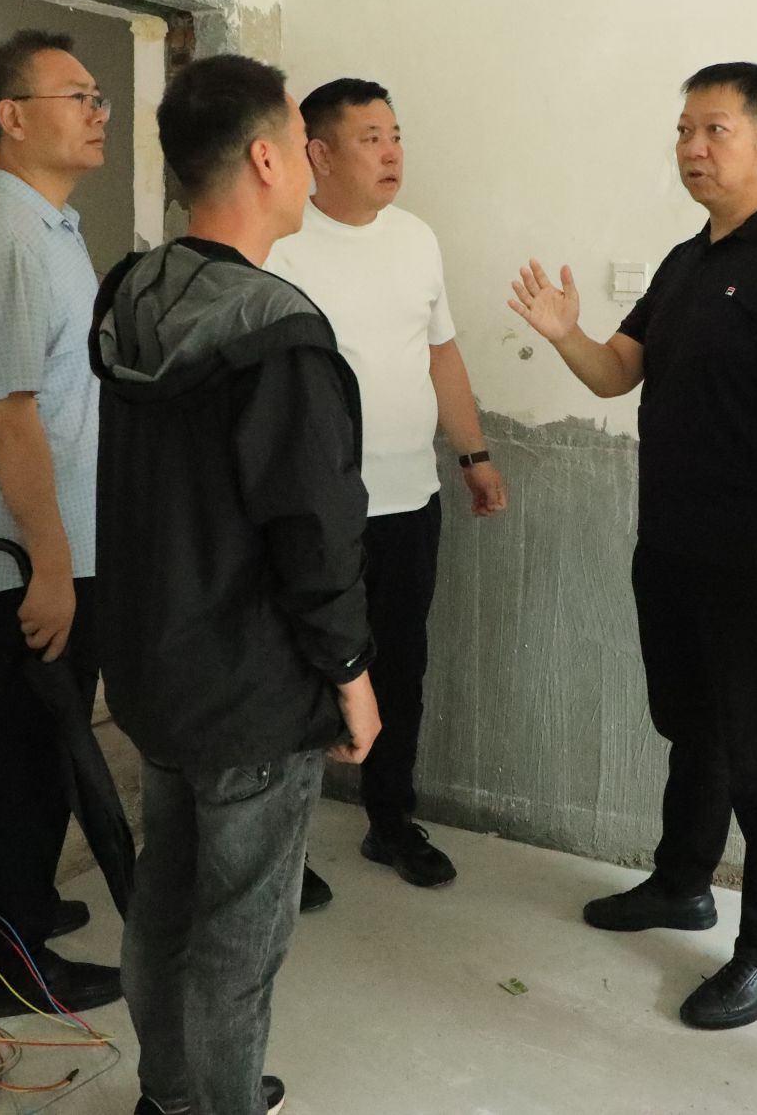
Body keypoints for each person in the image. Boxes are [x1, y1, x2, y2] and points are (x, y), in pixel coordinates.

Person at [509, 62, 757, 1030]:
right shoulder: (685, 262)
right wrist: (565, 333)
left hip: (753, 561)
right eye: (683, 130)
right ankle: (681, 882)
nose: (691, 149)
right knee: (692, 727)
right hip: (669, 547)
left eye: (714, 130)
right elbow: (616, 373)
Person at [94, 52, 382, 1115]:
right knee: (240, 937)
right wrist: (351, 673)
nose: (313, 163)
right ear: (265, 159)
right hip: (250, 685)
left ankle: (168, 1095)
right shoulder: (278, 334)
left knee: (165, 901)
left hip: (154, 666)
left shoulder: (132, 293)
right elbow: (314, 535)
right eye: (303, 144)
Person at [266, 77, 507, 905]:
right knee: (299, 670)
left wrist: (474, 455)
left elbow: (441, 353)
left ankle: (390, 818)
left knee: (401, 665)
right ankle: (280, 843)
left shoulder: (416, 238)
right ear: (319, 153)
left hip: (410, 499)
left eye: (396, 134)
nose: (392, 151)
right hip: (314, 510)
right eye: (371, 137)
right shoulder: (281, 246)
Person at [0, 29, 119, 1018]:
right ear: (12, 117)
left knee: (29, 740)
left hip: (68, 541)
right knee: (32, 752)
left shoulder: (49, 226)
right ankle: (6, 970)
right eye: (76, 96)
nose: (96, 112)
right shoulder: (7, 238)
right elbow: (11, 418)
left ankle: (4, 912)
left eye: (98, 97)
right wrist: (50, 566)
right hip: (44, 553)